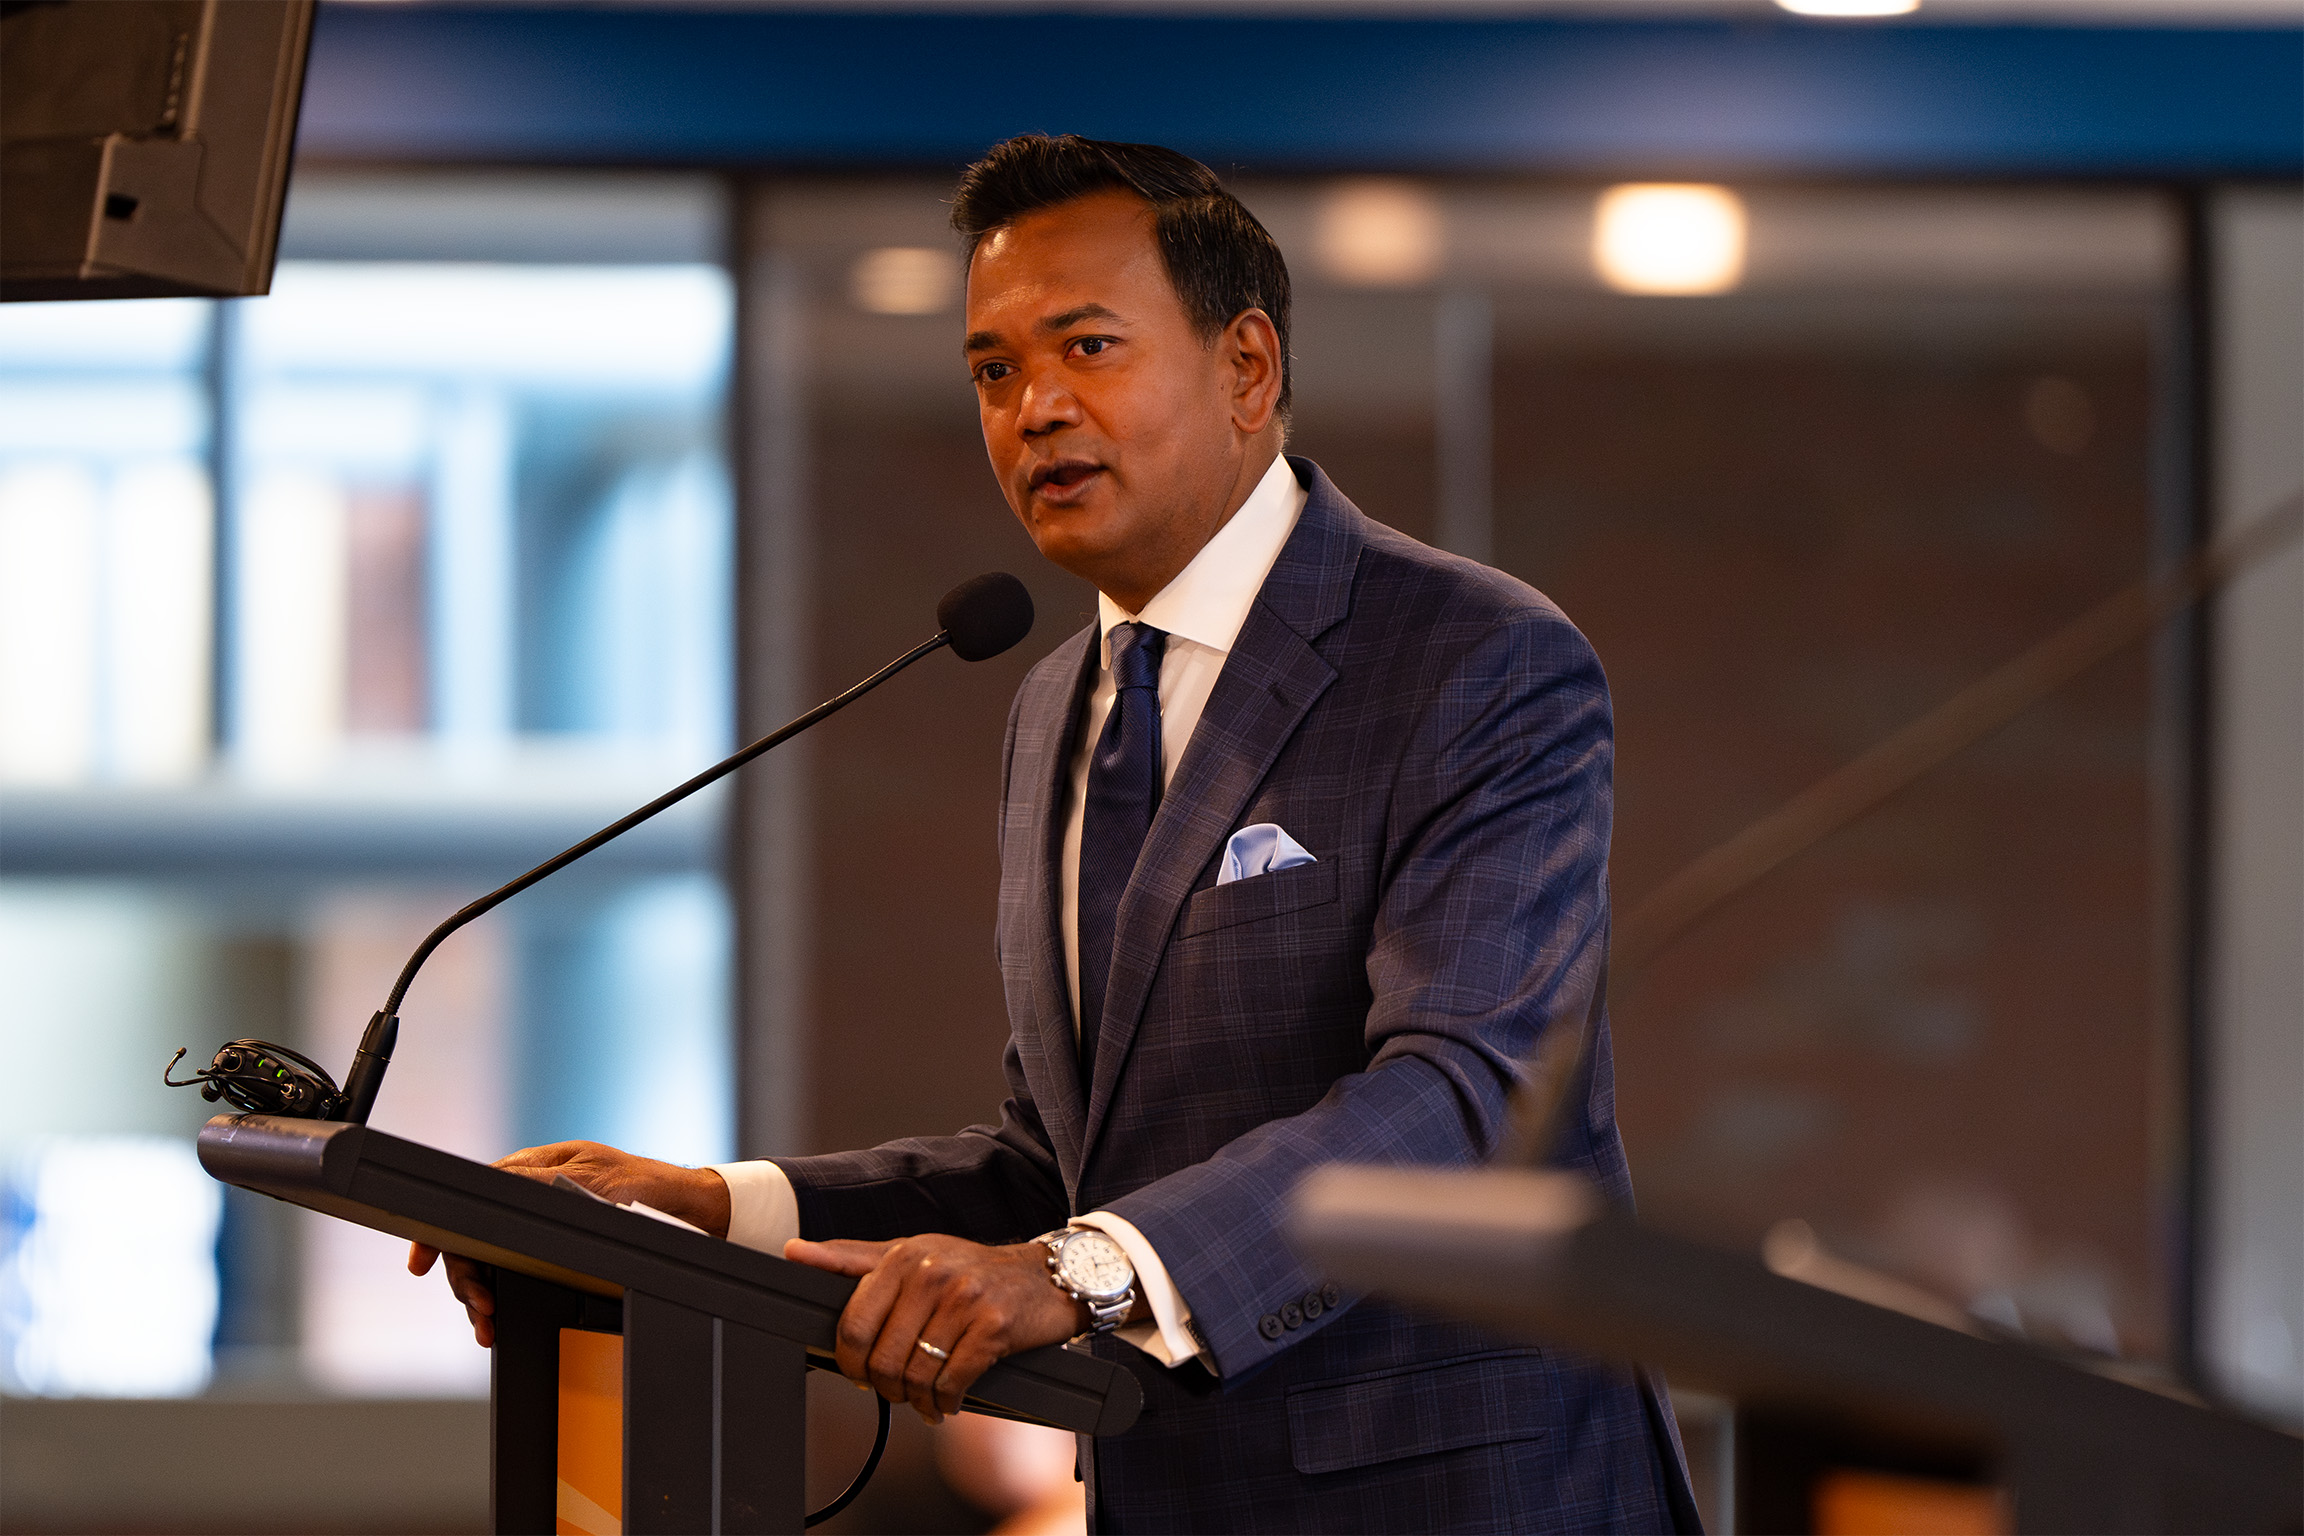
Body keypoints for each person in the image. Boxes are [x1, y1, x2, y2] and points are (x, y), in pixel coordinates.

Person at [413, 133, 1698, 1534]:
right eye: (994, 369)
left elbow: (1468, 1092)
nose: (1034, 409)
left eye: (1087, 347)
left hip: (1464, 1494)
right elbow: (1064, 1167)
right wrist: (714, 1208)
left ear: (1248, 370)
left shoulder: (1473, 656)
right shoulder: (1052, 707)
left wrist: (1075, 1273)